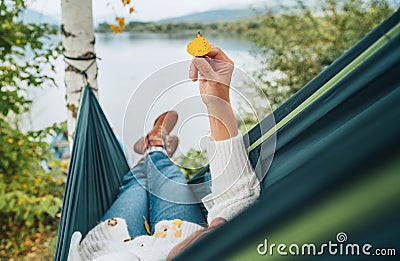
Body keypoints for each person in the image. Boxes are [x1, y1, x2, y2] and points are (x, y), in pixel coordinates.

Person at [68, 46, 260, 261]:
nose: (217, 223)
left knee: (137, 183)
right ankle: (155, 147)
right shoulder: (218, 239)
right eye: (220, 227)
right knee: (164, 175)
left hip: (111, 242)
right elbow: (236, 203)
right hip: (179, 235)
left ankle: (153, 148)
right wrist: (218, 97)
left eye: (217, 229)